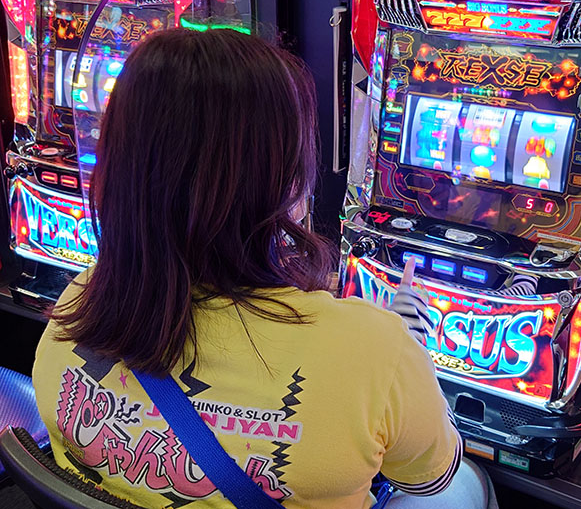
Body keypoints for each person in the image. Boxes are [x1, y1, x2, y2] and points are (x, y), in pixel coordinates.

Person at [32, 28, 498, 509]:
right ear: (282, 179)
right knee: (466, 483)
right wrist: (404, 358)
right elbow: (429, 475)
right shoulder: (373, 349)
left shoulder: (78, 302)